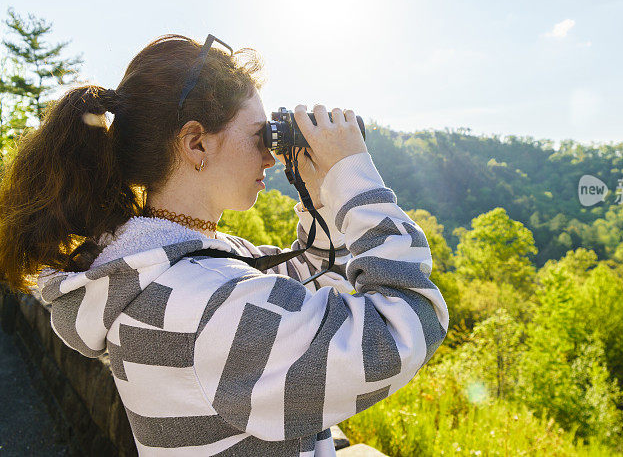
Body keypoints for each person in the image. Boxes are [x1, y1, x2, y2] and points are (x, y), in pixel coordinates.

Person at [0, 34, 448, 456]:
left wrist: (321, 198)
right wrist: (354, 179)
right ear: (196, 143)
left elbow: (306, 286)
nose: (271, 156)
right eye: (259, 137)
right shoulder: (210, 305)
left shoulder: (156, 264)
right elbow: (407, 322)